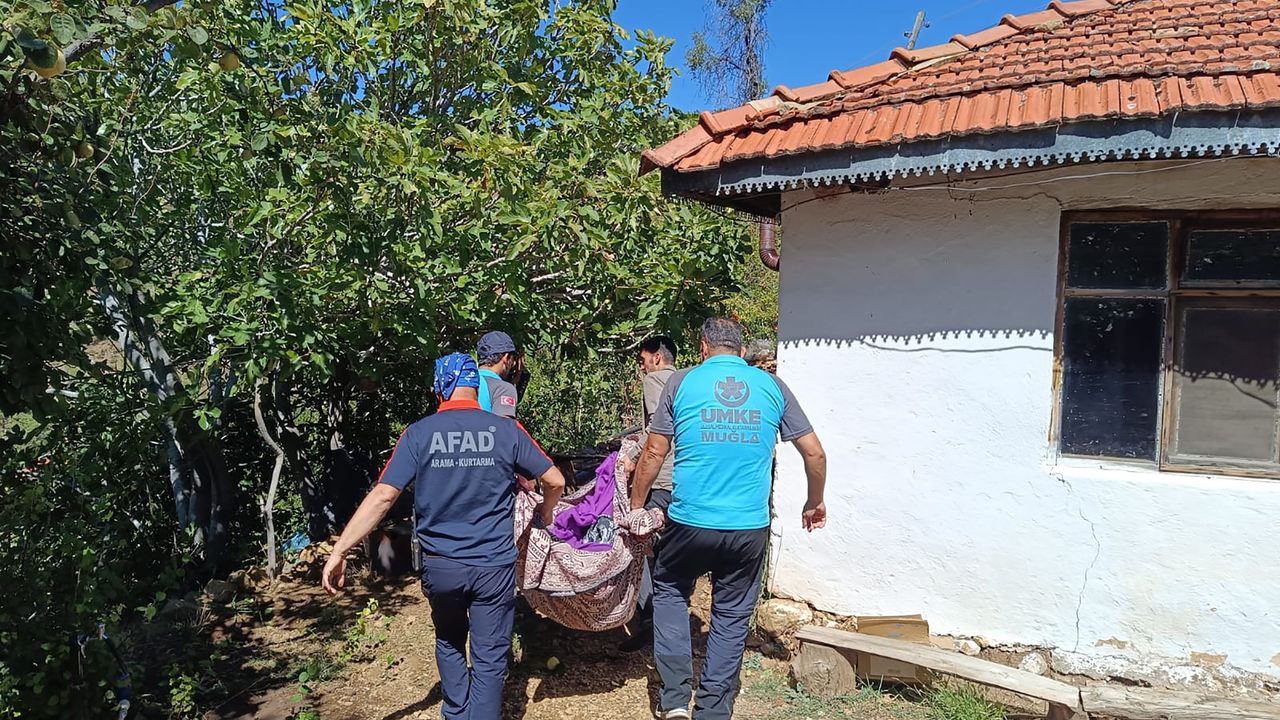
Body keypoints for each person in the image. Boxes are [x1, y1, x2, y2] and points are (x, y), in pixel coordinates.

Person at [322, 353, 566, 720]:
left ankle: (455, 712)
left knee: (449, 639)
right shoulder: (507, 430)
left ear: (440, 388)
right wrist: (546, 512)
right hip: (493, 566)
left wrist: (340, 550)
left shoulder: (418, 434)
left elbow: (384, 496)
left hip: (441, 566)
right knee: (489, 656)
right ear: (476, 387)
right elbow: (555, 480)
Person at [628, 317, 828, 720]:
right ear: (741, 350)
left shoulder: (681, 382)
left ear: (703, 347)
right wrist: (814, 501)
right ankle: (713, 710)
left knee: (669, 593)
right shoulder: (772, 386)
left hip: (689, 521)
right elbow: (814, 453)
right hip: (748, 528)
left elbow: (653, 451)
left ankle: (675, 701)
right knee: (732, 617)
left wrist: (636, 506)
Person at [619, 335, 680, 652]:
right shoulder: (686, 382)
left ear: (657, 357)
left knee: (640, 544)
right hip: (682, 481)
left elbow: (657, 428)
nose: (642, 367)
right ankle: (668, 622)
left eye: (643, 360)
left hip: (660, 479)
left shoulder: (656, 380)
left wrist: (632, 456)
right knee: (668, 551)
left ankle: (649, 619)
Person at [476, 330, 522, 418]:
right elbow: (505, 425)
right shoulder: (503, 389)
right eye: (513, 358)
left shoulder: (459, 381)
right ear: (506, 357)